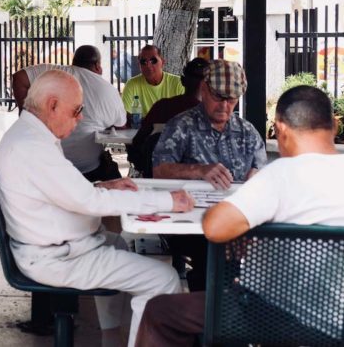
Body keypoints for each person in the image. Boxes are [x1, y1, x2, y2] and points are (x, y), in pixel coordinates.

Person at [0, 69, 194, 347]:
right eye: (76, 110)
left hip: (59, 247)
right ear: (52, 105)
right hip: (57, 258)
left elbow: (68, 191)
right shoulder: (32, 146)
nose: (80, 118)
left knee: (118, 244)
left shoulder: (32, 135)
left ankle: (111, 337)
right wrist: (168, 201)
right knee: (163, 279)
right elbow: (90, 203)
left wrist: (104, 186)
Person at [135, 85, 344, 347]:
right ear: (334, 126)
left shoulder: (280, 174)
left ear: (280, 130)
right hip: (337, 321)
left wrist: (250, 229)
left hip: (270, 314)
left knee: (161, 311)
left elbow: (215, 226)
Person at [152, 59, 266, 291]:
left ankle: (224, 312)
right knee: (211, 258)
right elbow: (159, 170)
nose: (224, 106)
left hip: (236, 220)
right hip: (193, 223)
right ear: (203, 90)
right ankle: (207, 314)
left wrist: (257, 178)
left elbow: (262, 173)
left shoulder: (247, 132)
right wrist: (198, 170)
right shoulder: (181, 126)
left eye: (231, 100)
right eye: (218, 97)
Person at [12, 45, 126, 181]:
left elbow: (19, 78)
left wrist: (29, 117)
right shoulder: (107, 89)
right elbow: (121, 124)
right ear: (97, 66)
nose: (80, 117)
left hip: (52, 168)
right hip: (85, 168)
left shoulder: (57, 73)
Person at [127, 57, 209, 174]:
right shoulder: (211, 115)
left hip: (156, 178)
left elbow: (138, 141)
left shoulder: (161, 107)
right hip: (195, 180)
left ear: (182, 81)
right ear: (209, 85)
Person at [121, 45, 183, 121]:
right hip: (143, 131)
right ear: (139, 65)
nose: (148, 65)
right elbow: (123, 115)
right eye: (143, 61)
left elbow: (186, 115)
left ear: (162, 62)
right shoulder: (132, 84)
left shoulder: (178, 83)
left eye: (153, 61)